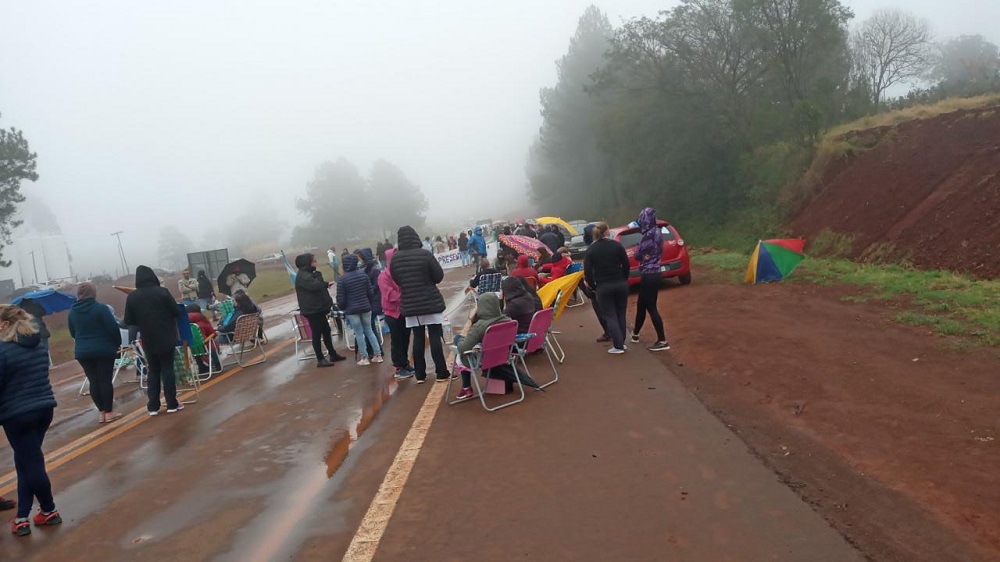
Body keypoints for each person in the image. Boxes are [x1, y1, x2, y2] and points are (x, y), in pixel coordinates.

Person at [0, 305, 62, 536]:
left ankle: (49, 509)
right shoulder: (37, 344)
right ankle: (22, 517)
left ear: (5, 324)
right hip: (44, 408)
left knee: (32, 464)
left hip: (17, 415)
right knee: (25, 462)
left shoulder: (3, 350)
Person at [390, 225, 450, 383]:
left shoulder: (395, 259)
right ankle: (442, 372)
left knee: (418, 338)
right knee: (435, 336)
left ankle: (420, 375)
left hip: (410, 304)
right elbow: (438, 276)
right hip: (430, 301)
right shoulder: (425, 254)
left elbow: (396, 280)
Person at [124, 266, 184, 414]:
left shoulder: (132, 297)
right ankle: (171, 403)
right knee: (167, 369)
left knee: (153, 370)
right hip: (166, 336)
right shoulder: (162, 292)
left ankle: (153, 406)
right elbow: (176, 311)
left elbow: (129, 320)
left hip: (148, 338)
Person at [68, 283, 123, 424]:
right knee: (105, 380)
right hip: (103, 349)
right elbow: (112, 328)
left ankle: (102, 412)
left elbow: (73, 332)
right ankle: (110, 411)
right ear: (93, 294)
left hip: (83, 351)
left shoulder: (72, 312)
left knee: (93, 381)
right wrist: (117, 344)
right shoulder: (101, 309)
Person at [583, 223, 630, 354]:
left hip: (603, 286)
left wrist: (594, 286)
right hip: (620, 283)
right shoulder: (617, 245)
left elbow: (587, 273)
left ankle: (618, 345)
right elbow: (626, 264)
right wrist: (623, 279)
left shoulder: (591, 250)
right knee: (621, 313)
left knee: (610, 315)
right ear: (606, 231)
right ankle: (622, 342)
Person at [453, 293, 509, 401]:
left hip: (483, 360)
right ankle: (466, 388)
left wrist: (459, 341)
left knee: (458, 340)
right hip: (503, 356)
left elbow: (464, 348)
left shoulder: (480, 325)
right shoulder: (508, 320)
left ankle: (466, 387)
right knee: (471, 344)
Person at [294, 253, 346, 367]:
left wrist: (325, 284)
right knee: (317, 334)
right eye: (313, 261)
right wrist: (319, 276)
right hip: (312, 310)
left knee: (326, 331)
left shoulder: (308, 274)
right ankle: (320, 358)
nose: (315, 263)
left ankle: (332, 354)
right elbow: (316, 286)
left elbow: (317, 285)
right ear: (307, 263)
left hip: (318, 309)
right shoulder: (304, 276)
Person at [632, 208, 670, 351]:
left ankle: (662, 340)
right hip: (655, 272)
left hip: (649, 273)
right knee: (641, 304)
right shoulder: (658, 232)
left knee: (651, 307)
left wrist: (641, 253)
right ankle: (635, 334)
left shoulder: (648, 235)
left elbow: (637, 255)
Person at [337, 255, 384, 366]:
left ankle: (364, 357)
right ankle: (378, 355)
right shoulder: (363, 275)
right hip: (366, 307)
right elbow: (370, 292)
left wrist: (342, 307)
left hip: (352, 309)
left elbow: (341, 298)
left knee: (359, 333)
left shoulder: (342, 279)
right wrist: (369, 303)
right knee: (369, 330)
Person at [379, 248, 414, 379]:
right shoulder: (384, 276)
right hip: (392, 313)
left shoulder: (402, 273)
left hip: (404, 310)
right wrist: (405, 297)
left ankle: (405, 363)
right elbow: (389, 295)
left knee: (406, 338)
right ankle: (399, 367)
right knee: (397, 339)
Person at [186, 304, 223, 372]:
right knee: (211, 342)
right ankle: (217, 365)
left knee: (195, 344)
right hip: (205, 345)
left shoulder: (184, 323)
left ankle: (201, 366)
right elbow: (212, 333)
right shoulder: (202, 320)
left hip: (191, 348)